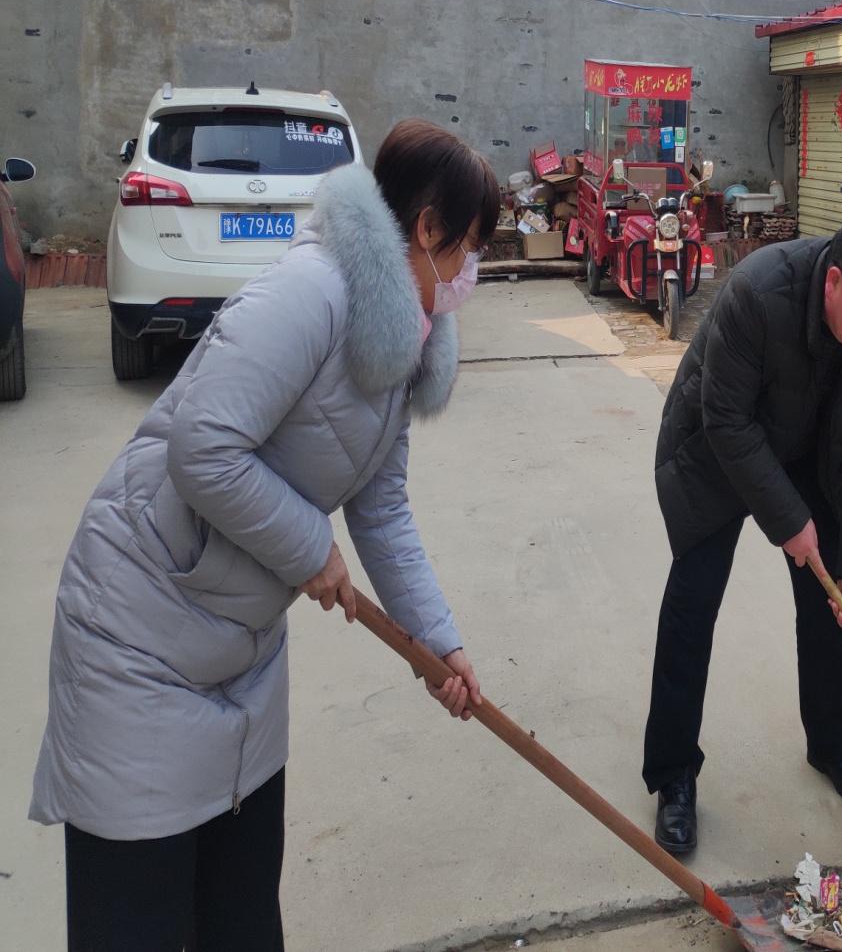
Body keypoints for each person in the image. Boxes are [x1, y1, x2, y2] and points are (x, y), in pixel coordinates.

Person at [30, 119, 502, 951]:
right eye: (466, 248)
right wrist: (309, 549)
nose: (469, 273)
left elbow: (382, 506)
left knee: (241, 916)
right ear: (426, 229)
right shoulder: (310, 290)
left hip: (239, 649)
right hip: (137, 630)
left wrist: (439, 643)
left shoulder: (401, 339)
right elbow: (202, 445)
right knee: (134, 919)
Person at [643, 204, 842, 855]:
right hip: (716, 452)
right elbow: (726, 420)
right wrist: (789, 524)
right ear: (833, 284)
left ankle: (831, 745)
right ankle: (673, 774)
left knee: (830, 608)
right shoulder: (757, 290)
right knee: (692, 605)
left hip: (808, 451)